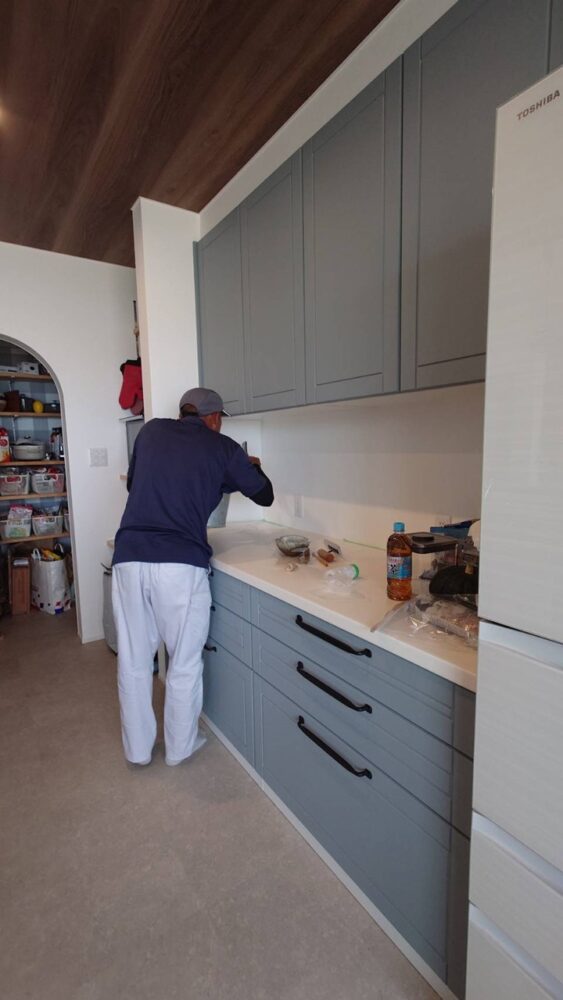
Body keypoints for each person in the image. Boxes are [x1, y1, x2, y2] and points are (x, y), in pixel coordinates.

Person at [112, 387, 274, 767]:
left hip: (129, 558)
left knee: (134, 661)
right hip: (180, 566)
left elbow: (136, 484)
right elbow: (264, 496)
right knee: (183, 661)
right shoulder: (224, 448)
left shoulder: (150, 431)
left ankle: (138, 751)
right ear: (214, 418)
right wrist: (252, 466)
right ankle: (180, 748)